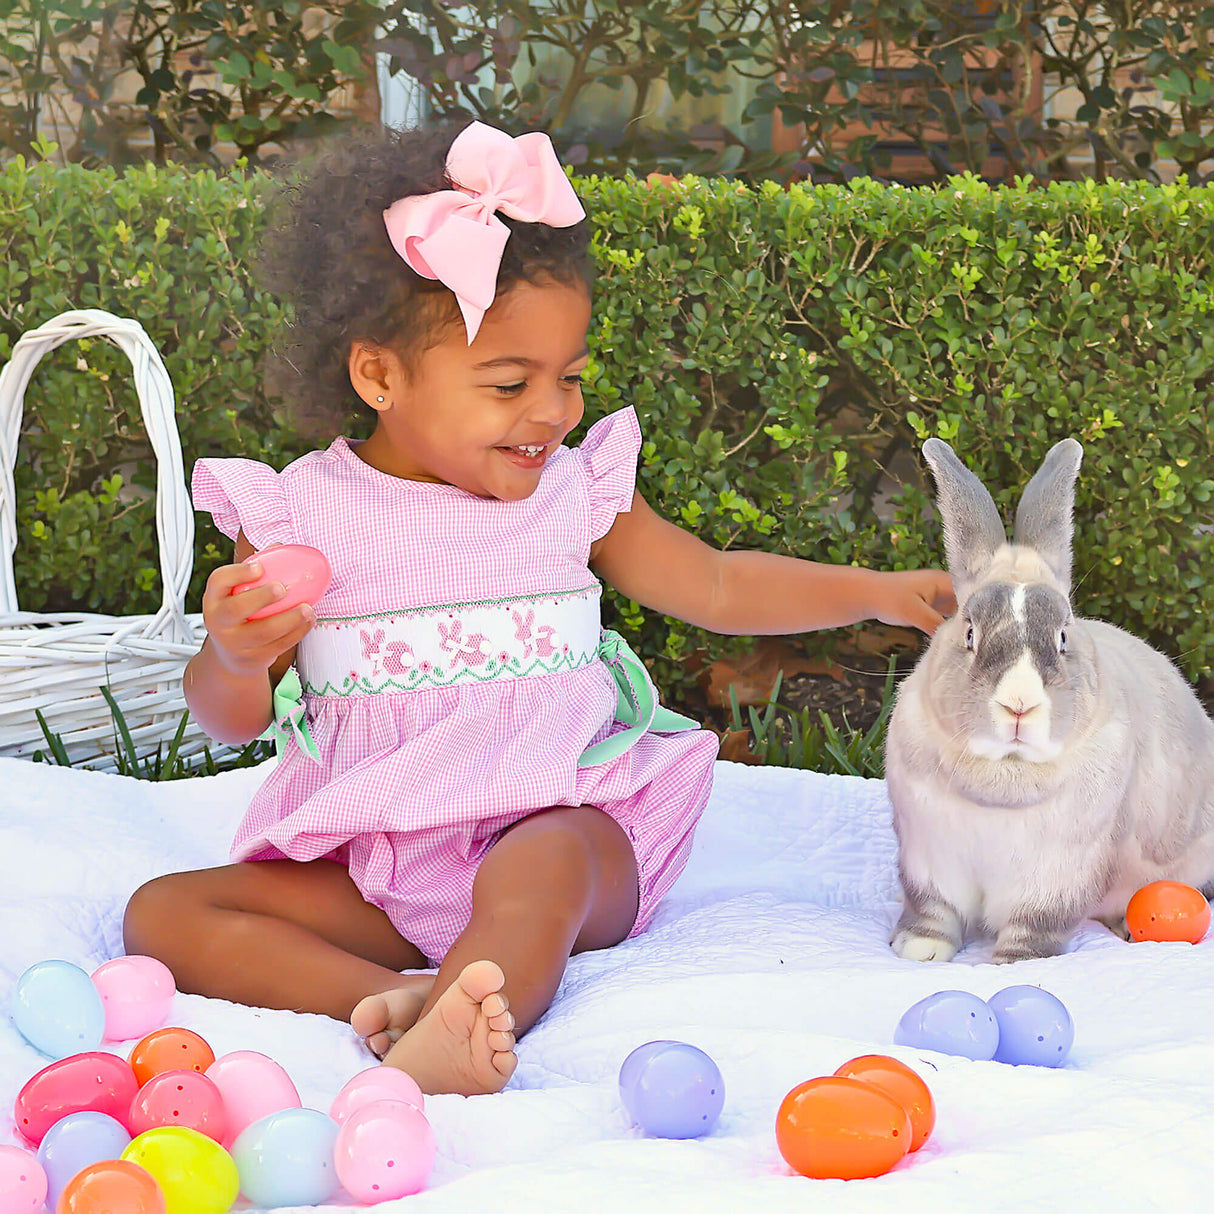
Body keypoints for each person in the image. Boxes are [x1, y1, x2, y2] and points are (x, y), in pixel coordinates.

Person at [123, 121, 955, 1097]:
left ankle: (480, 1009)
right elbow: (234, 717)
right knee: (163, 914)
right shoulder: (296, 517)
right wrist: (231, 656)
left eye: (568, 378)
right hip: (379, 868)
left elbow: (717, 584)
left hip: (564, 828)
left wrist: (876, 591)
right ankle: (399, 1003)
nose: (552, 411)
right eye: (510, 383)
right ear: (379, 374)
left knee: (543, 863)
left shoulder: (571, 492)